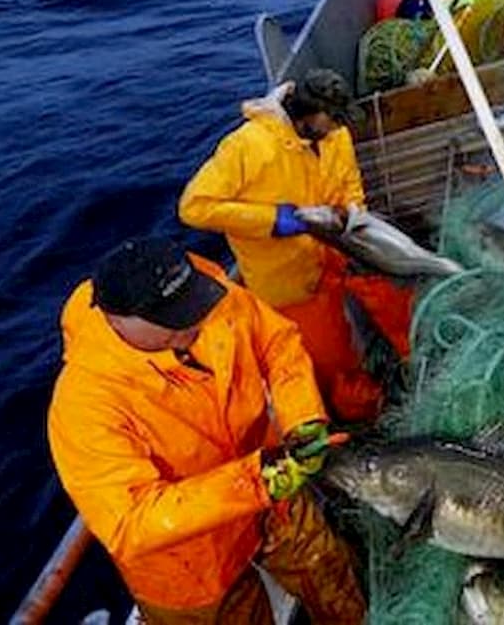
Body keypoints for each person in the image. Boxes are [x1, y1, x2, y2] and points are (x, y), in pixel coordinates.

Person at [48, 237, 366, 624]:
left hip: (272, 489)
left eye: (193, 303)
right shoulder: (84, 405)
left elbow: (277, 342)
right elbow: (130, 521)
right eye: (173, 316)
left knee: (329, 571)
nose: (195, 320)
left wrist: (303, 420)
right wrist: (255, 481)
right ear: (116, 321)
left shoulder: (204, 291)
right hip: (191, 564)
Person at [178, 68, 413, 423]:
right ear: (310, 113)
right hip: (289, 284)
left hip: (337, 254)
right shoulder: (247, 145)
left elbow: (350, 186)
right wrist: (272, 221)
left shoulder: (336, 136)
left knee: (398, 299)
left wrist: (356, 225)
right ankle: (353, 421)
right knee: (328, 364)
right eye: (333, 118)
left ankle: (409, 366)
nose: (338, 126)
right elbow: (194, 207)